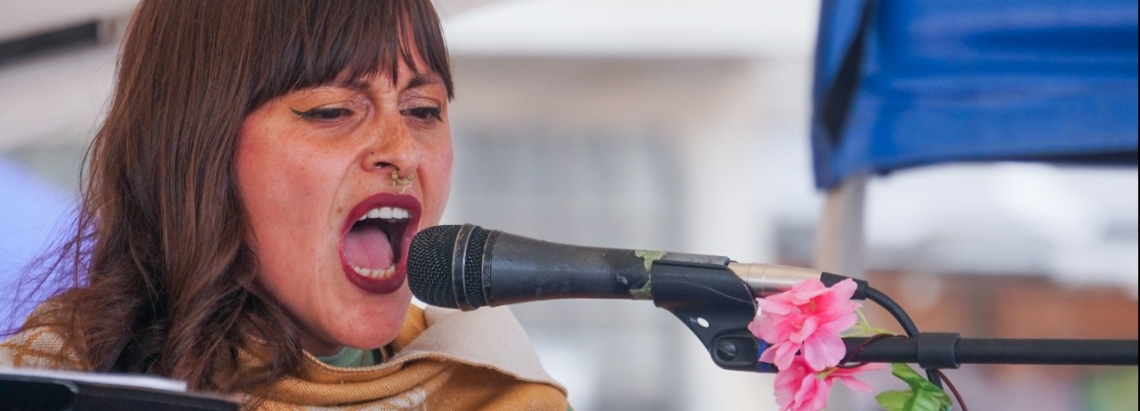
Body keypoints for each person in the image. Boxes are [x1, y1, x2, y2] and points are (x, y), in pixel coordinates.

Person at [0, 1, 569, 409]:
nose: (403, 152)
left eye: (423, 110)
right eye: (330, 111)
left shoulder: (500, 395)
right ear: (197, 153)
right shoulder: (45, 387)